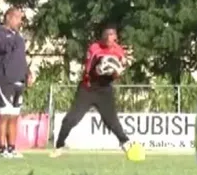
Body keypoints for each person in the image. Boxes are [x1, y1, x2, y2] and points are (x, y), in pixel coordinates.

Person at [51, 24, 145, 161]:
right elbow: (89, 71)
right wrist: (99, 69)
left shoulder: (118, 51)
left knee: (112, 121)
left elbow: (120, 68)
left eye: (111, 37)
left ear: (115, 38)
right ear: (102, 37)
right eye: (106, 36)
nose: (109, 39)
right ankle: (59, 146)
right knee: (71, 119)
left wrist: (116, 71)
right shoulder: (94, 48)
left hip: (104, 90)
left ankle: (126, 144)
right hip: (88, 88)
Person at [0, 7, 33, 159]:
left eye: (20, 18)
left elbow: (21, 58)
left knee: (14, 116)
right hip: (3, 79)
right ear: (8, 17)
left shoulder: (19, 37)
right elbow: (0, 48)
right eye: (17, 18)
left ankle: (12, 148)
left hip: (18, 79)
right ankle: (2, 150)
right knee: (4, 115)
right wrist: (10, 40)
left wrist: (27, 73)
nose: (19, 22)